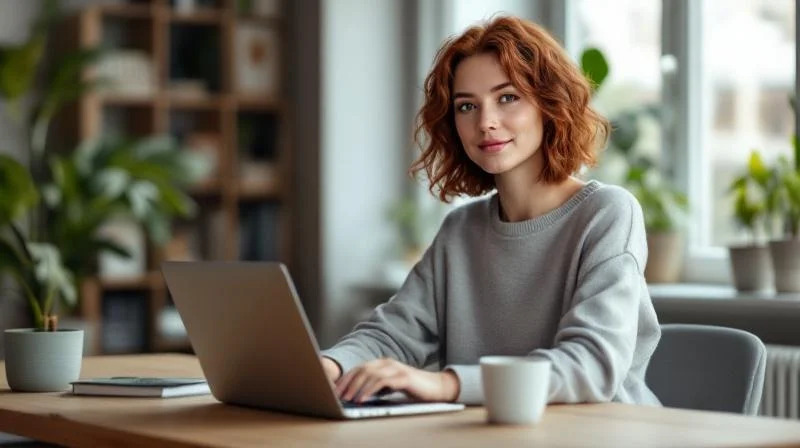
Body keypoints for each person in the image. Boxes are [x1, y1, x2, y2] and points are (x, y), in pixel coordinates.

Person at [319, 15, 662, 406]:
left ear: (549, 105)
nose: (486, 122)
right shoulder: (460, 230)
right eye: (467, 106)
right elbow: (392, 334)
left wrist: (447, 384)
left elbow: (591, 365)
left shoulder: (607, 213)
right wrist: (329, 367)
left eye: (507, 98)